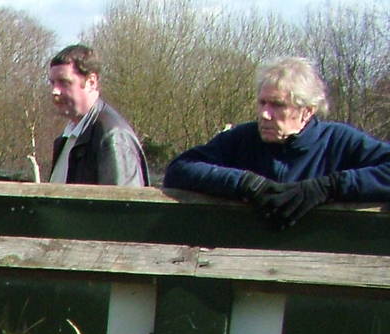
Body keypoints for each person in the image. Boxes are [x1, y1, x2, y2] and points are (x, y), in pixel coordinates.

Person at [163, 57, 390, 227]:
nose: (265, 114)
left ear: (307, 111)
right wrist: (245, 184)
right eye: (262, 103)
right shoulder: (242, 139)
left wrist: (328, 187)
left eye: (277, 105)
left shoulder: (338, 141)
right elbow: (180, 169)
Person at [46, 44, 148, 186]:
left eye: (64, 82)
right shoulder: (70, 136)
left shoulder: (113, 137)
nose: (55, 91)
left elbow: (125, 205)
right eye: (52, 83)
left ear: (91, 82)